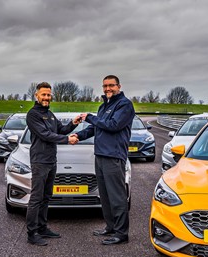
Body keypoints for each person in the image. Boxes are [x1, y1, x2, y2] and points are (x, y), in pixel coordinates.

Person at [72, 75, 135, 245]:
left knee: (117, 196)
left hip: (113, 156)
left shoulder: (124, 105)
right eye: (105, 86)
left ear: (119, 86)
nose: (108, 89)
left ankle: (121, 233)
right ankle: (111, 226)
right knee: (105, 195)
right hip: (100, 155)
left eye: (111, 86)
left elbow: (113, 125)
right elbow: (95, 128)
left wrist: (90, 116)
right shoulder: (103, 107)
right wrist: (78, 135)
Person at [26, 82, 81, 246]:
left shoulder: (49, 114)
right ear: (36, 95)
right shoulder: (33, 115)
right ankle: (32, 233)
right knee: (36, 198)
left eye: (48, 95)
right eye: (43, 95)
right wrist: (67, 140)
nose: (46, 97)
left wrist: (73, 123)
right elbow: (45, 135)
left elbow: (61, 130)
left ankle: (42, 228)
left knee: (46, 196)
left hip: (51, 160)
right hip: (39, 161)